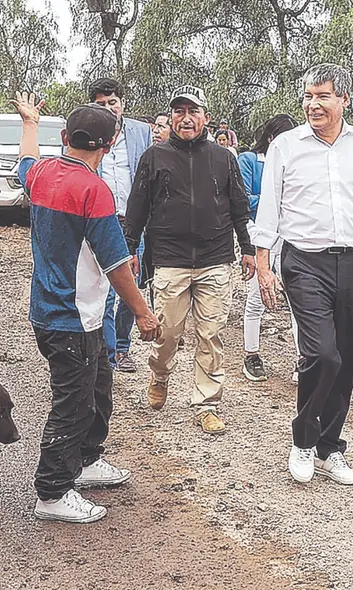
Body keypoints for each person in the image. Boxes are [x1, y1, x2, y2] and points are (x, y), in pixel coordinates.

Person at [254, 63, 353, 486]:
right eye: (308, 97)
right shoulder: (286, 147)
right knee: (322, 353)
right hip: (304, 261)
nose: (313, 105)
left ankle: (329, 448)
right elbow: (268, 209)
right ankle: (303, 440)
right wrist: (263, 265)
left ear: (344, 100)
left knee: (345, 358)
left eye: (323, 96)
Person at [11, 92, 161, 523]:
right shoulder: (94, 191)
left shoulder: (42, 174)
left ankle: (87, 459)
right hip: (71, 318)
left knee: (97, 389)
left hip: (59, 313)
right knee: (73, 403)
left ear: (64, 137)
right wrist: (143, 313)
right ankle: (52, 491)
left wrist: (29, 123)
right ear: (109, 145)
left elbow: (25, 161)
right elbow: (116, 265)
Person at [124, 85, 256, 434]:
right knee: (167, 333)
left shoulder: (224, 158)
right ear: (171, 118)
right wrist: (129, 249)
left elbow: (239, 207)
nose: (186, 118)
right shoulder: (154, 157)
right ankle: (160, 375)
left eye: (193, 111)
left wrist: (247, 249)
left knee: (210, 335)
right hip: (170, 260)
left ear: (205, 118)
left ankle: (206, 404)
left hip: (215, 259)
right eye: (179, 112)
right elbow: (137, 208)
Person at [88, 78, 154, 373]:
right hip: (101, 222)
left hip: (133, 223)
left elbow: (149, 176)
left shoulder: (141, 132)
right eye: (101, 104)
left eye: (112, 102)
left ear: (122, 104)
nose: (108, 108)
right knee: (105, 289)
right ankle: (108, 352)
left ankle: (123, 347)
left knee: (133, 288)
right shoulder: (88, 132)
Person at [238, 113, 299, 382]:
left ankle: (302, 358)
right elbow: (242, 199)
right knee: (256, 297)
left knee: (299, 299)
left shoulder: (296, 164)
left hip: (290, 236)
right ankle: (251, 354)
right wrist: (273, 201)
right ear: (272, 138)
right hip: (259, 235)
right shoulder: (250, 161)